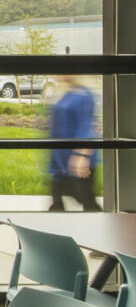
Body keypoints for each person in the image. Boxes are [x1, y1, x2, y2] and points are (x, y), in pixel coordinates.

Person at [47, 75, 100, 212]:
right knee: (57, 203)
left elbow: (87, 128)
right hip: (60, 162)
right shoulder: (65, 93)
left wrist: (81, 156)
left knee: (87, 201)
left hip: (76, 161)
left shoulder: (84, 95)